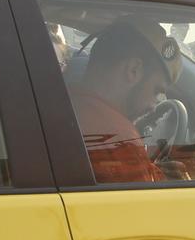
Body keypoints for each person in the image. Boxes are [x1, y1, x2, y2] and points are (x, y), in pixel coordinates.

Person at [67, 20, 183, 183]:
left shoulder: (68, 101)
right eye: (156, 91)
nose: (153, 106)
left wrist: (154, 172)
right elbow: (148, 205)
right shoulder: (119, 141)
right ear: (133, 69)